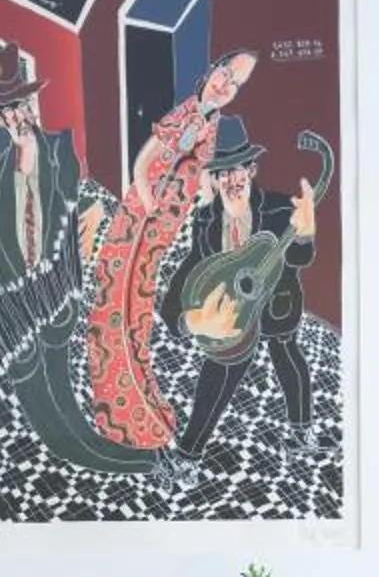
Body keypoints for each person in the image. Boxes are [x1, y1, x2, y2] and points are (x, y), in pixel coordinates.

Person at [0, 43, 159, 481]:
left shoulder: (63, 152)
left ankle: (142, 462)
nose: (15, 117)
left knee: (68, 411)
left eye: (20, 105)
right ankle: (140, 462)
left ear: (30, 103)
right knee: (53, 435)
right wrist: (3, 306)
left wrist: (94, 208)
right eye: (5, 111)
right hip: (14, 325)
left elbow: (75, 200)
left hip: (58, 302)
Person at [85, 49, 258, 451]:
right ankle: (122, 413)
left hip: (159, 234)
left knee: (139, 307)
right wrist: (146, 203)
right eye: (224, 74)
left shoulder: (213, 123)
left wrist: (205, 190)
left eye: (236, 84)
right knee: (117, 301)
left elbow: (203, 171)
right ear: (211, 70)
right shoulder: (188, 114)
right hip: (140, 224)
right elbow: (145, 162)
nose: (226, 85)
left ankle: (140, 395)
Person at [157, 110, 318, 463]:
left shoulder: (277, 208)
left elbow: (300, 258)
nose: (231, 179)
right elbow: (188, 271)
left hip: (276, 306)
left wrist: (305, 234)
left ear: (252, 171)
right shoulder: (207, 220)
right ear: (213, 180)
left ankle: (302, 429)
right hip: (237, 312)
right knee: (219, 369)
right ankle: (189, 454)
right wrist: (185, 321)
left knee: (287, 355)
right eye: (222, 172)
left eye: (238, 169)